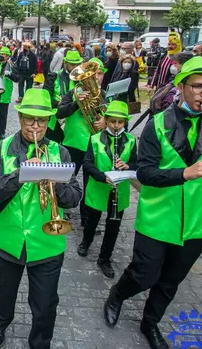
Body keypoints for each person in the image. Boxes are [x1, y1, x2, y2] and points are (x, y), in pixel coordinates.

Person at [103, 56, 202, 349]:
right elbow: (145, 173)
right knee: (143, 275)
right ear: (182, 87)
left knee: (170, 281)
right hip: (158, 218)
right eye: (198, 86)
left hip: (196, 223)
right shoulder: (157, 125)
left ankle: (150, 323)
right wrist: (185, 173)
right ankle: (117, 294)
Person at [0, 87, 82, 349]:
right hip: (6, 239)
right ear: (20, 118)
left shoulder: (61, 152)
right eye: (29, 119)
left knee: (45, 303)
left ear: (49, 121)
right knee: (2, 291)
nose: (35, 126)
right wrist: (21, 174)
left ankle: (40, 342)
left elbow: (74, 197)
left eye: (42, 120)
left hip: (47, 242)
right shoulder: (1, 149)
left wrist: (55, 181)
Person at [78, 101, 138, 278]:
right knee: (92, 221)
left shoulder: (131, 140)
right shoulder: (95, 139)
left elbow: (137, 163)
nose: (116, 126)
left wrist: (127, 166)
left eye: (120, 122)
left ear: (125, 122)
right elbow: (87, 163)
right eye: (112, 121)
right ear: (106, 120)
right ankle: (85, 242)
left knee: (113, 226)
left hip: (119, 190)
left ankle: (105, 258)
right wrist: (102, 176)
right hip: (99, 187)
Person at [57, 57, 107, 227]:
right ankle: (62, 209)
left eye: (99, 74)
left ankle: (87, 218)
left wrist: (105, 121)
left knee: (90, 183)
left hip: (94, 145)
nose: (96, 78)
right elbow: (59, 113)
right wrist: (76, 103)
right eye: (94, 74)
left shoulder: (104, 95)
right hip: (73, 143)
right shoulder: (72, 93)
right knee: (65, 178)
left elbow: (115, 118)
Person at [46, 50, 83, 145]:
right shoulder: (53, 77)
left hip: (74, 124)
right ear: (65, 63)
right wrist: (58, 103)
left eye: (78, 64)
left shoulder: (82, 79)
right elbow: (45, 99)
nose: (75, 67)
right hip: (55, 122)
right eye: (72, 64)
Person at [0, 46, 20, 140]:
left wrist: (10, 74)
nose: (1, 55)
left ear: (8, 56)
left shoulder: (11, 66)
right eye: (0, 54)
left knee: (2, 115)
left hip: (4, 95)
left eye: (4, 54)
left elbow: (17, 78)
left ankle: (1, 131)